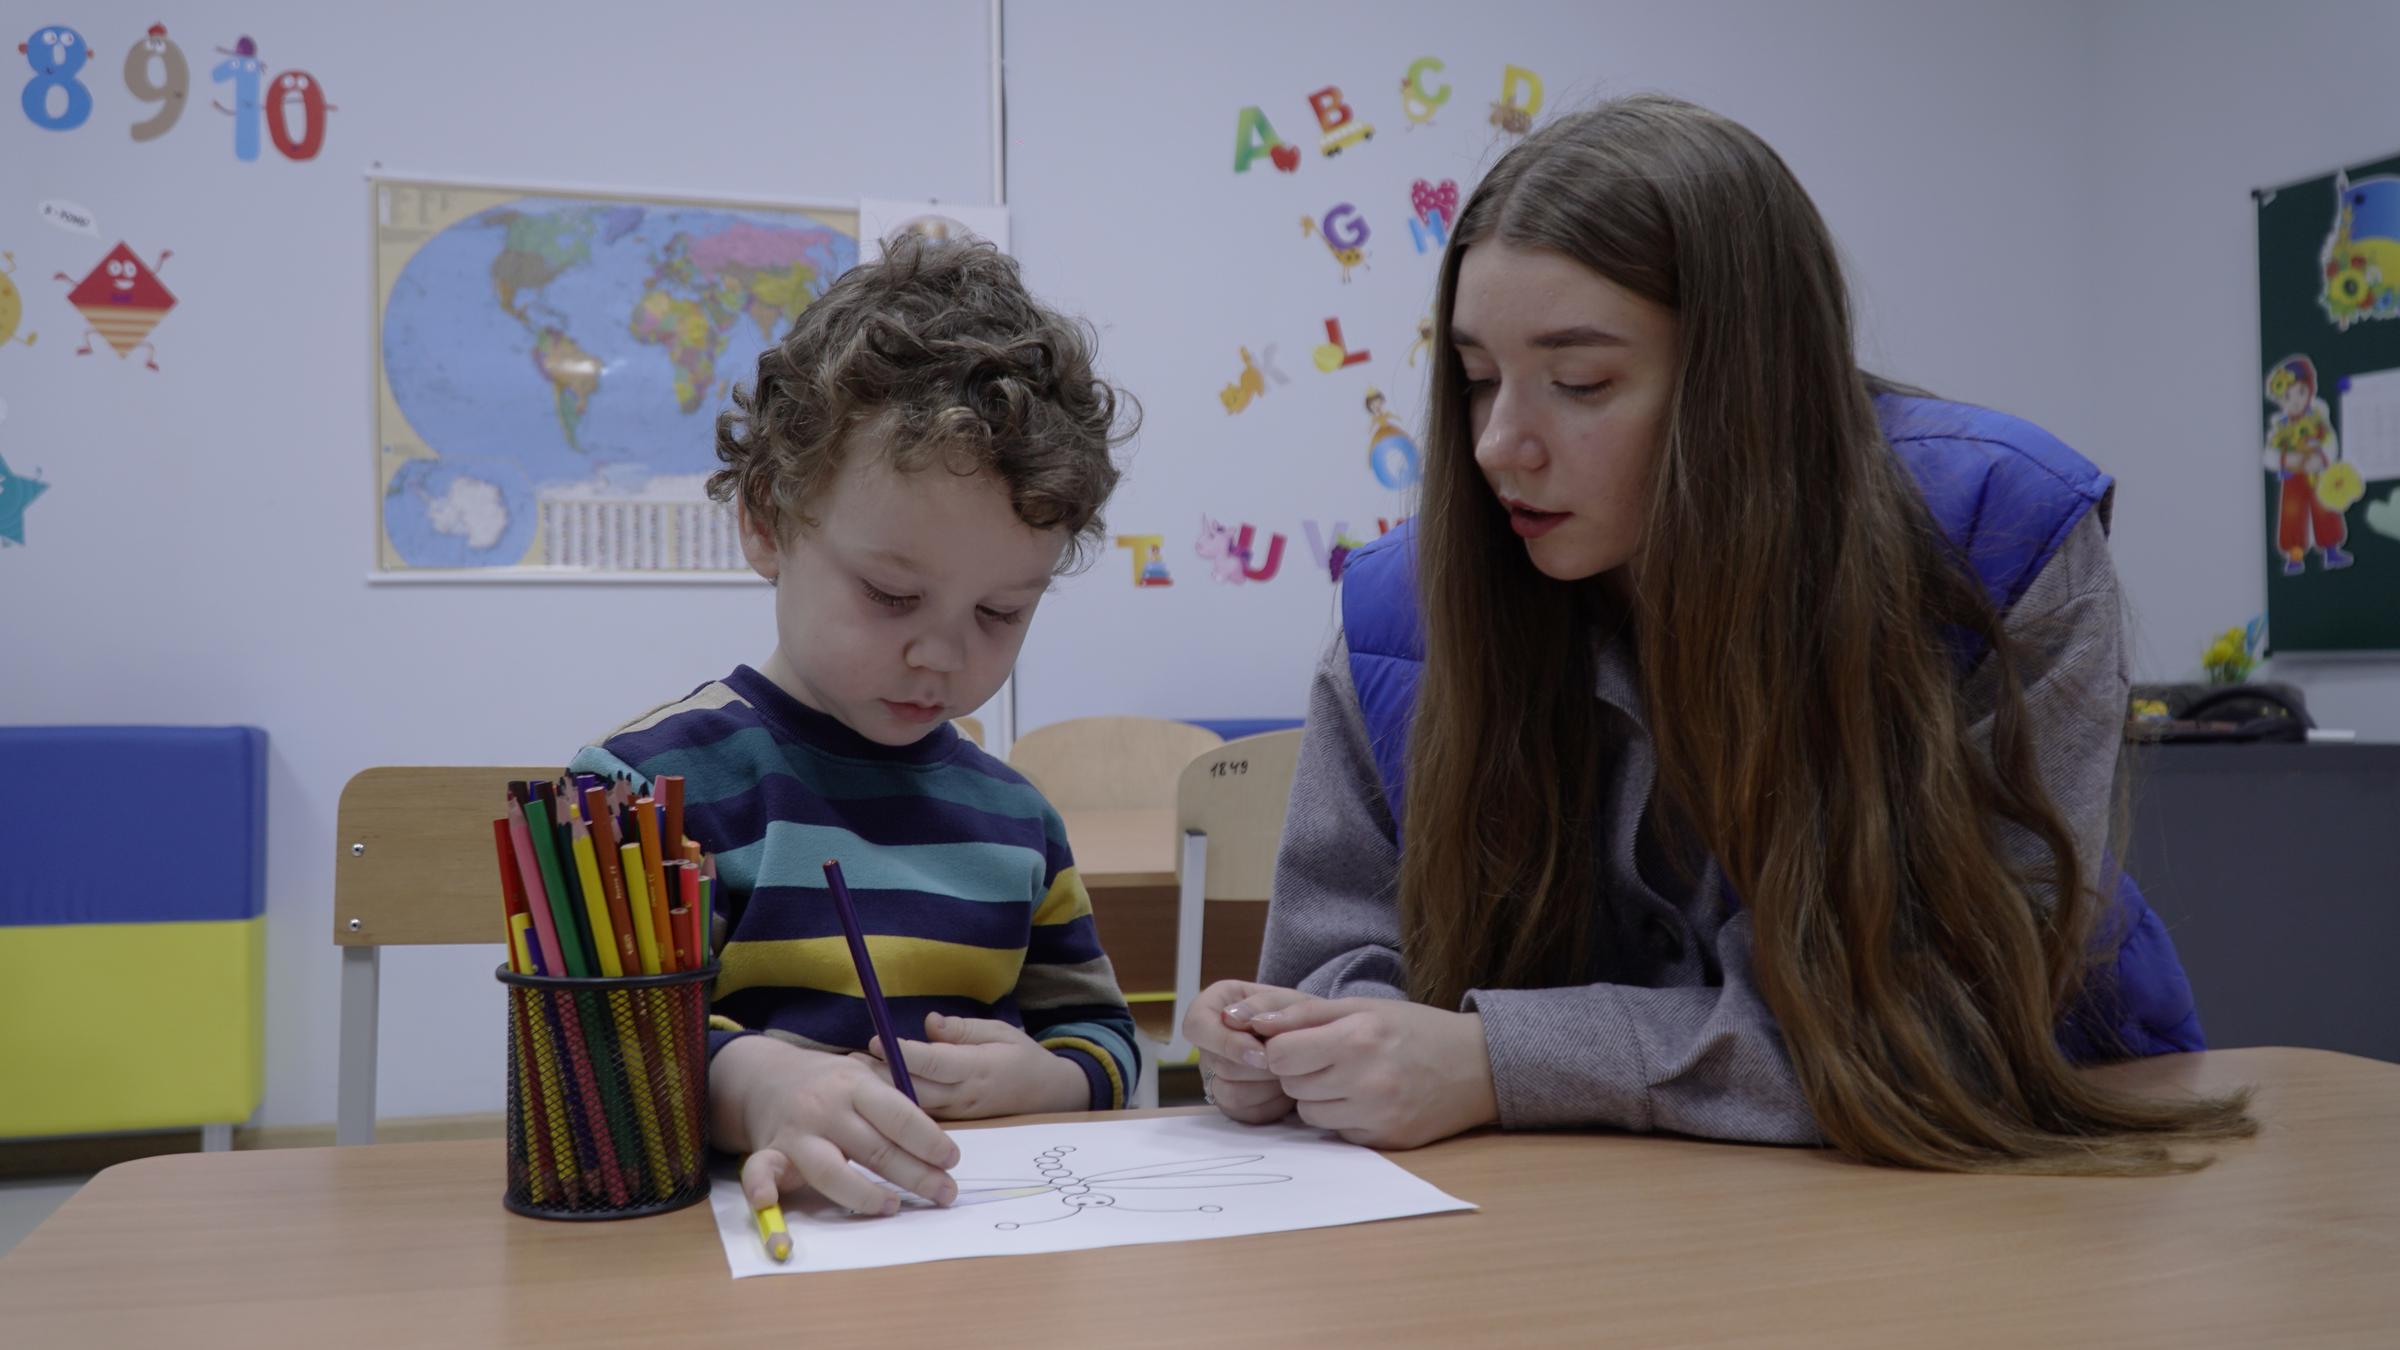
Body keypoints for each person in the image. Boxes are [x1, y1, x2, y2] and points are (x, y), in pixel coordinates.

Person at [1185, 96, 2255, 1175]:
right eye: (1474, 379)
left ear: (1748, 383)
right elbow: (1339, 966)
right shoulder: (1399, 614)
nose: (1501, 444)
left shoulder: (1997, 541)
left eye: (1580, 382)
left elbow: (1953, 1028)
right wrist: (1303, 1050)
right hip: (1591, 1215)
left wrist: (1503, 1059)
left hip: (1989, 1179)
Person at [573, 236, 1142, 1218]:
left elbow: (1106, 1038)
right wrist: (753, 1089)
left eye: (1001, 613)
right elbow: (590, 1059)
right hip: (732, 1259)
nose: (942, 656)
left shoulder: (1016, 824)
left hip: (974, 1259)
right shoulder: (650, 793)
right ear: (766, 520)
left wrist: (1052, 1079)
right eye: (890, 595)